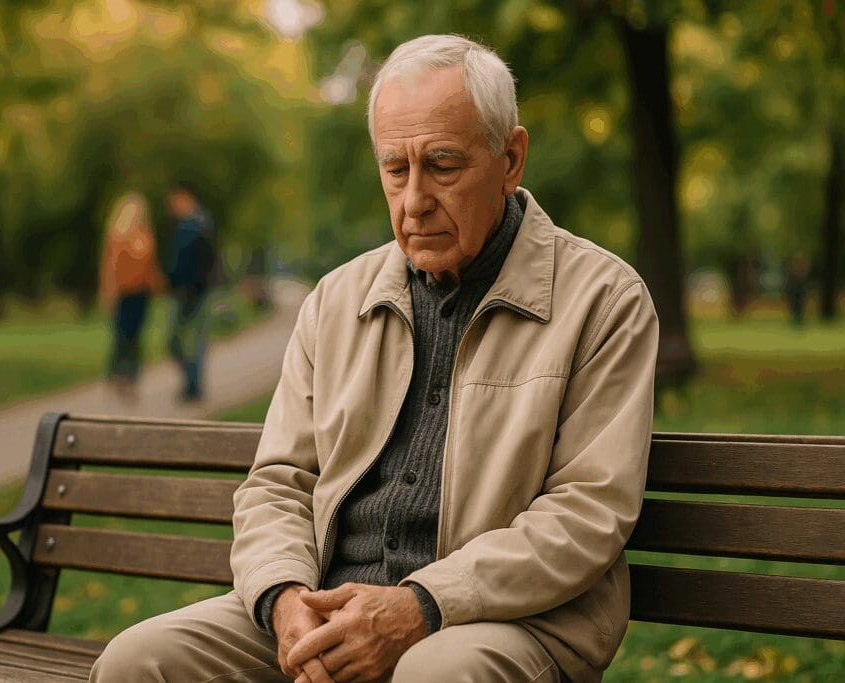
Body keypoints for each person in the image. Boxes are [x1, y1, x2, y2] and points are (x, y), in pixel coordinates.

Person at [92, 34, 658, 683]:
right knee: (137, 663)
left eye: (443, 165)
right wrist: (283, 600)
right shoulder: (335, 301)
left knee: (434, 674)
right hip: (328, 607)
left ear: (511, 157)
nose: (414, 199)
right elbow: (278, 483)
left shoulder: (603, 299)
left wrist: (419, 605)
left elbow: (587, 512)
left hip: (503, 622)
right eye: (396, 168)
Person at [99, 192, 164, 392]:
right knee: (121, 333)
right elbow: (109, 267)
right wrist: (107, 290)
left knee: (136, 335)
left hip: (141, 293)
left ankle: (131, 376)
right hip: (122, 292)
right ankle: (117, 372)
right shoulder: (116, 236)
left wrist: (158, 286)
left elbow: (151, 266)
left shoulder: (145, 235)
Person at [164, 181, 216, 401]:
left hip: (194, 292)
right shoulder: (190, 224)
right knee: (178, 341)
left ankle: (193, 386)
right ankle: (191, 383)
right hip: (186, 291)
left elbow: (201, 261)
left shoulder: (198, 224)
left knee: (190, 339)